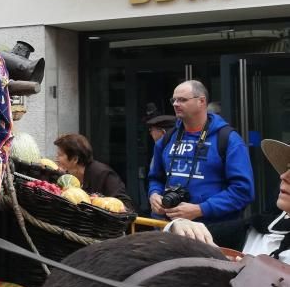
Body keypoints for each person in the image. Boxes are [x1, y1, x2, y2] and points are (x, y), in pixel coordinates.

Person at [166, 138, 290, 262]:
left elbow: (242, 191)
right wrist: (180, 226)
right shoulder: (255, 230)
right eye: (287, 168)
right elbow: (173, 241)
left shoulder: (229, 140)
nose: (283, 176)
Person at [147, 80, 253, 224]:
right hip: (172, 227)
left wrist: (200, 209)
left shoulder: (228, 139)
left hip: (215, 231)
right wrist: (154, 194)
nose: (175, 104)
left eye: (182, 100)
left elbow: (243, 191)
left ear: (201, 101)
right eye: (174, 100)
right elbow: (156, 178)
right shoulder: (167, 138)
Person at [53, 133, 134, 211]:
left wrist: (100, 201)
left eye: (60, 155)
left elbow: (126, 206)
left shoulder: (102, 173)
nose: (57, 159)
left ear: (75, 159)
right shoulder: (68, 177)